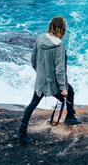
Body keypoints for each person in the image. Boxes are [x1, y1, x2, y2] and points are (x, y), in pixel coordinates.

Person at [17, 16, 81, 144]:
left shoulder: (41, 38)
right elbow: (60, 69)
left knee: (33, 104)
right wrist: (63, 88)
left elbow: (33, 59)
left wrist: (40, 73)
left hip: (41, 80)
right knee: (70, 93)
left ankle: (21, 131)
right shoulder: (59, 46)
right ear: (62, 29)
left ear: (51, 25)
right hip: (54, 83)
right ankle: (69, 116)